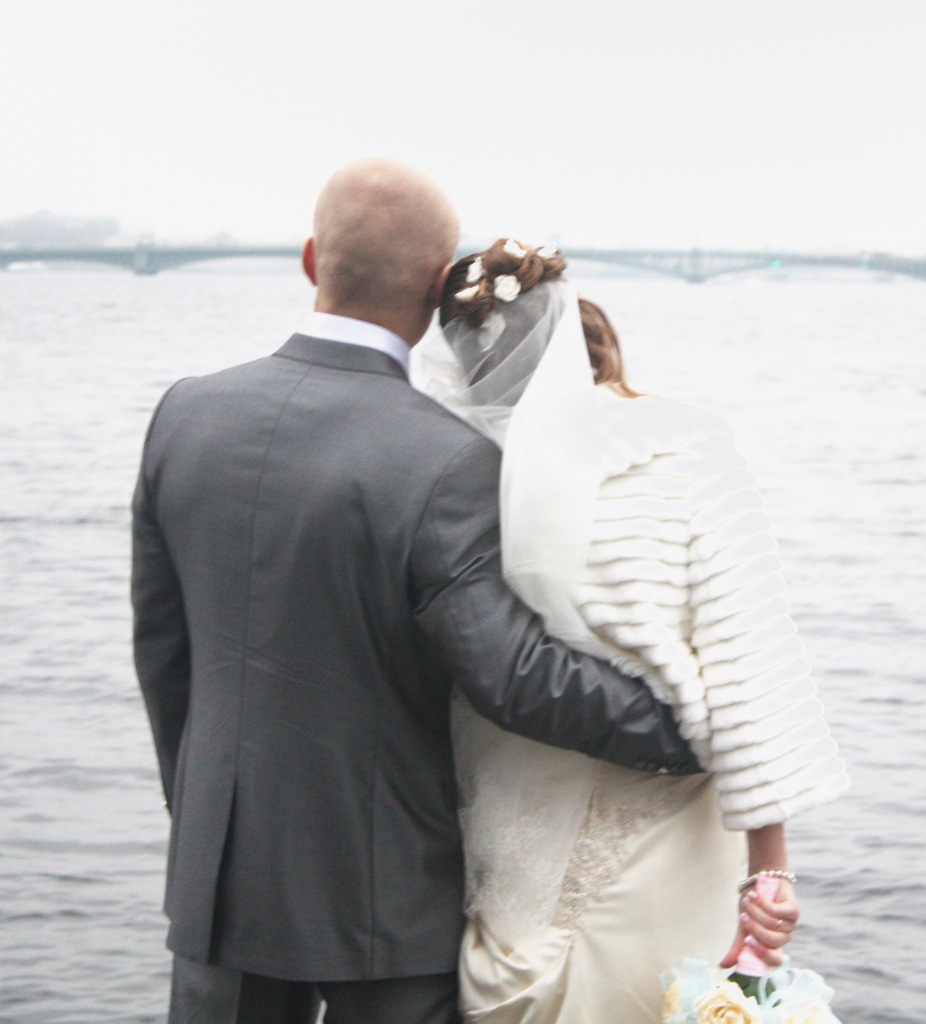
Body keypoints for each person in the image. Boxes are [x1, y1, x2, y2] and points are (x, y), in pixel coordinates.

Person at [130, 162, 705, 1024]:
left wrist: (205, 814)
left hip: (219, 876)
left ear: (311, 258)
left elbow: (162, 654)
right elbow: (514, 677)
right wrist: (690, 733)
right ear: (440, 285)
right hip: (385, 889)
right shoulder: (443, 459)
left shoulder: (184, 413)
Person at [412, 238, 850, 1023]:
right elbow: (749, 658)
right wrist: (770, 870)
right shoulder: (686, 450)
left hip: (504, 843)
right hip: (667, 829)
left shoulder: (449, 470)